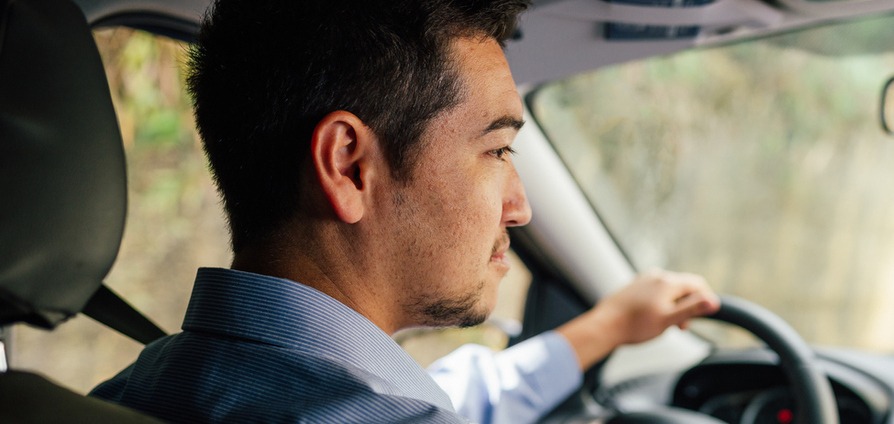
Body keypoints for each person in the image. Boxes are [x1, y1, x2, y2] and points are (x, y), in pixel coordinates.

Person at [88, 0, 721, 423]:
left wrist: (603, 327)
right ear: (349, 166)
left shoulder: (117, 398)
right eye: (497, 149)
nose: (522, 207)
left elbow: (440, 400)